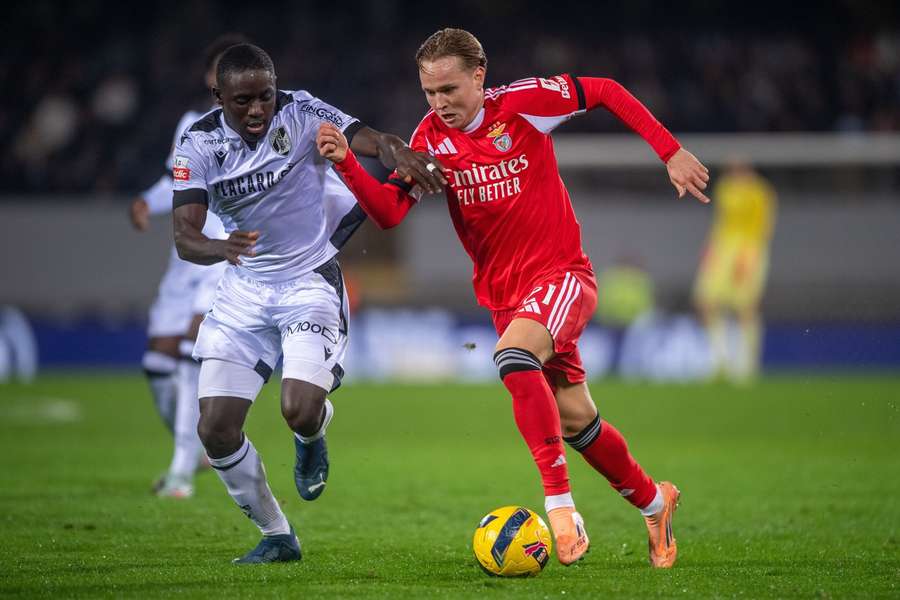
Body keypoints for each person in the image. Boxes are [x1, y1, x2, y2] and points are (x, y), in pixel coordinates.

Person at [317, 28, 709, 568]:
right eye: (429, 93)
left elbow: (605, 89)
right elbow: (388, 213)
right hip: (506, 298)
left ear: (479, 77)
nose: (440, 104)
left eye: (450, 90)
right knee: (577, 423)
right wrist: (346, 163)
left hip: (563, 275)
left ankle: (560, 504)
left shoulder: (525, 105)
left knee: (512, 357)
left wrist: (670, 150)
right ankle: (654, 500)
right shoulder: (429, 140)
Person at [172, 43, 444, 564]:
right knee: (215, 429)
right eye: (244, 101)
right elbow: (185, 236)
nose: (258, 110)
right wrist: (219, 248)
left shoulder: (300, 111)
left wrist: (398, 149)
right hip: (242, 292)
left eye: (265, 97)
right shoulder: (199, 144)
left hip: (308, 281)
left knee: (297, 409)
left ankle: (312, 435)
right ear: (218, 96)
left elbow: (372, 139)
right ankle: (277, 535)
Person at [129, 34, 246, 499]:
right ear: (209, 79)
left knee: (187, 350)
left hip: (221, 252)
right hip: (186, 255)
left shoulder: (255, 126)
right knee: (157, 363)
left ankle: (180, 470)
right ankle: (195, 446)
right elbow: (176, 183)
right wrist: (145, 201)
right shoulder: (190, 125)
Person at [693, 159, 776, 382]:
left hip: (748, 249)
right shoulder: (725, 188)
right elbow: (721, 222)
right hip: (723, 248)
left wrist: (749, 256)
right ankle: (720, 361)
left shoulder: (760, 192)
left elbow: (762, 228)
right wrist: (710, 248)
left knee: (745, 307)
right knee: (706, 302)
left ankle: (747, 366)